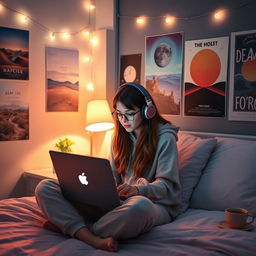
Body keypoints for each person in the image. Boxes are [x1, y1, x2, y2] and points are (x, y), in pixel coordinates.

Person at [35, 82, 181, 252]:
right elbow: (111, 174)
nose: (123, 120)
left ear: (147, 111)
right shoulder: (118, 136)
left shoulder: (165, 139)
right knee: (44, 187)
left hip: (154, 204)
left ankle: (80, 231)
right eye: (118, 114)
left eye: (129, 114)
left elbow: (167, 187)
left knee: (139, 206)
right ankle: (86, 230)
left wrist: (138, 190)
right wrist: (99, 190)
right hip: (119, 204)